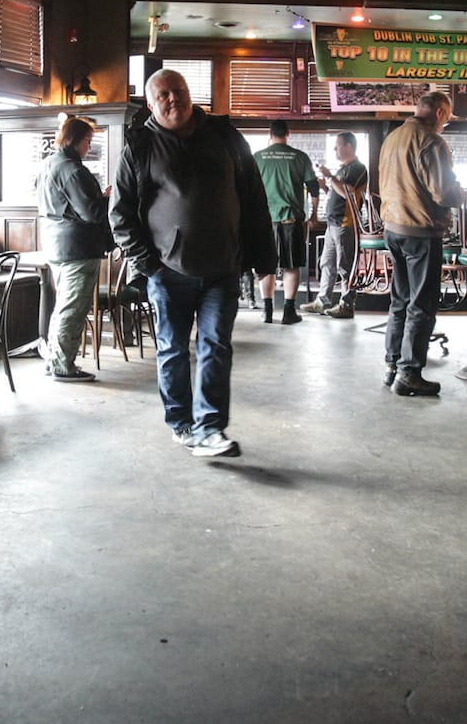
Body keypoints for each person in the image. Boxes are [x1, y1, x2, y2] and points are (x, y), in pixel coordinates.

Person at [111, 68, 276, 457]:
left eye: (179, 91)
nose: (173, 99)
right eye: (164, 95)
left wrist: (262, 255)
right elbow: (119, 215)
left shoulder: (225, 137)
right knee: (172, 349)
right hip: (169, 273)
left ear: (191, 94)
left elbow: (254, 197)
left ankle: (210, 427)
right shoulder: (140, 146)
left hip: (223, 268)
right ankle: (182, 423)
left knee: (216, 346)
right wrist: (149, 264)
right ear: (151, 104)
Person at [377, 89, 465, 396]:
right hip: (420, 231)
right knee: (421, 304)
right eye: (447, 119)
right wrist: (460, 194)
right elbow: (441, 192)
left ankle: (391, 364)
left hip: (393, 228)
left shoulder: (393, 138)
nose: (446, 125)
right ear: (440, 112)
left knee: (399, 300)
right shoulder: (430, 140)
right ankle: (410, 373)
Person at [39, 116, 110, 382]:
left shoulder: (48, 164)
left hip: (55, 244)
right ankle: (63, 366)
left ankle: (54, 359)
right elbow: (91, 212)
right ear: (74, 140)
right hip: (78, 247)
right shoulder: (72, 169)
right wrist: (107, 199)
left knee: (62, 306)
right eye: (87, 142)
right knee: (73, 308)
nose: (88, 149)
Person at [253, 119, 320, 325]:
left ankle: (267, 311)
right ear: (288, 133)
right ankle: (289, 312)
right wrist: (314, 214)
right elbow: (314, 189)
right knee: (291, 266)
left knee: (266, 266)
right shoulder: (300, 157)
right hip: (292, 218)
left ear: (270, 134)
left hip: (265, 220)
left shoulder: (257, 158)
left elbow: (246, 189)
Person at [300, 132, 369, 319]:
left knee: (345, 265)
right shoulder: (342, 169)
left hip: (345, 223)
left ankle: (347, 304)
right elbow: (337, 192)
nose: (335, 150)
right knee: (326, 263)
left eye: (337, 146)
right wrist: (325, 186)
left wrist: (330, 177)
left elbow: (348, 193)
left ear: (348, 146)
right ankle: (323, 301)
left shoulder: (357, 168)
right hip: (332, 223)